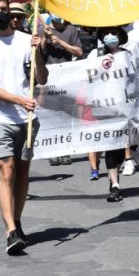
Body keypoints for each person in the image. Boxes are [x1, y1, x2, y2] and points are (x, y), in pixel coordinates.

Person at [0, 0, 49, 254]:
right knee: (6, 170)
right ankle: (10, 231)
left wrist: (37, 51)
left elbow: (41, 78)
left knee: (22, 171)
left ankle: (16, 219)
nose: (0, 13)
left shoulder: (26, 41)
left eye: (3, 8)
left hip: (27, 119)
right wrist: (18, 99)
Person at [86, 26, 133, 202]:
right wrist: (100, 65)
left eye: (113, 33)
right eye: (105, 34)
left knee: (120, 148)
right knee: (110, 145)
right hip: (103, 108)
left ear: (120, 36)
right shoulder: (94, 54)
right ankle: (114, 185)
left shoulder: (127, 55)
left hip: (123, 107)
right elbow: (86, 75)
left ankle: (119, 168)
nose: (110, 37)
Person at [40, 13, 83, 166]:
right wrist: (45, 37)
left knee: (66, 115)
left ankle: (65, 150)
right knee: (51, 115)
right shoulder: (41, 29)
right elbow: (38, 52)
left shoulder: (70, 30)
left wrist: (60, 43)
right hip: (48, 78)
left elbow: (79, 52)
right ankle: (53, 151)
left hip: (66, 77)